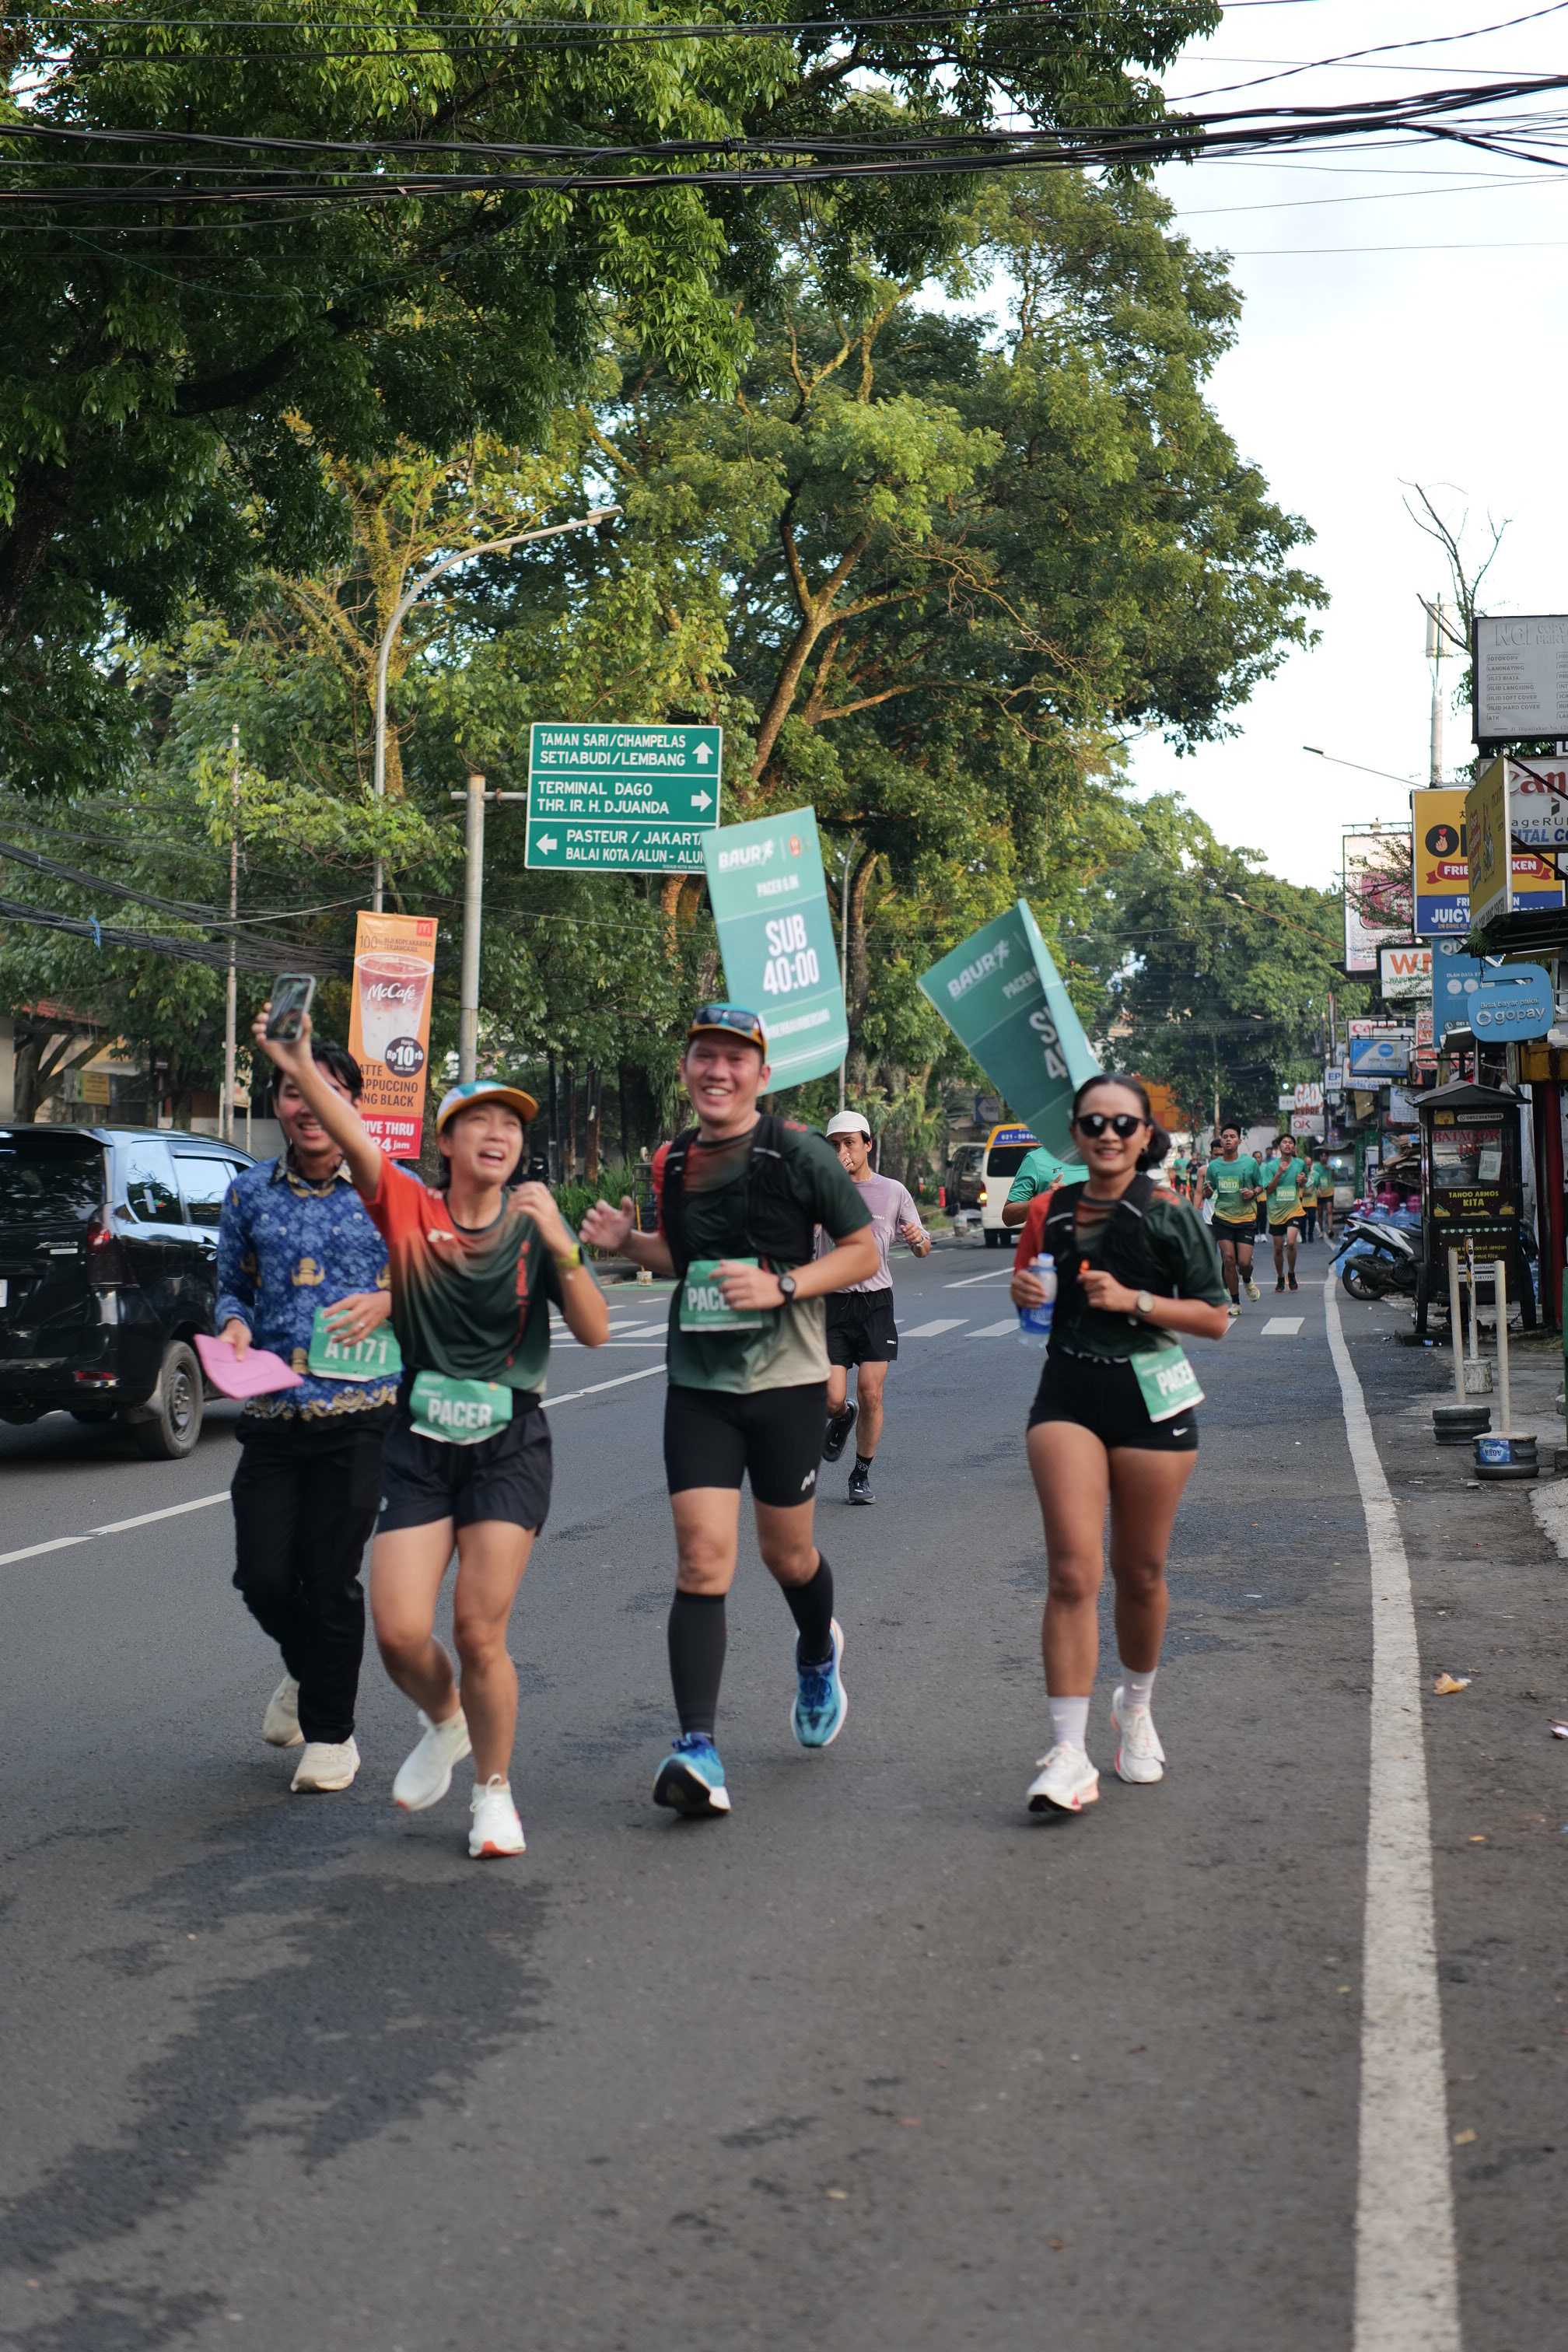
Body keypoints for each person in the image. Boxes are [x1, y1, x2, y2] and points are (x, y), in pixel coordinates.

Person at [250, 1006, 610, 1859]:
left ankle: (494, 1792)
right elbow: (350, 1133)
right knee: (401, 1634)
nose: (497, 1135)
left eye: (511, 1125)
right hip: (417, 1445)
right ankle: (446, 1719)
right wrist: (297, 1063)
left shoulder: (533, 1224)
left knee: (480, 1630)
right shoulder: (408, 1206)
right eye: (478, 1121)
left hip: (508, 1446)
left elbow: (596, 1331)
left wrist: (564, 1244)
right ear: (445, 1142)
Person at [581, 1005, 878, 1819]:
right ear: (687, 1069)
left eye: (735, 1059)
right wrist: (627, 1243)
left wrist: (784, 1285)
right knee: (701, 1560)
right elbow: (683, 1258)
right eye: (704, 1057)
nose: (718, 1071)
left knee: (789, 1556)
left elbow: (862, 1251)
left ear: (761, 1074)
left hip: (787, 1382)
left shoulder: (799, 1152)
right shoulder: (675, 1160)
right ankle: (697, 1748)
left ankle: (816, 1652)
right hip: (701, 1382)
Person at [1010, 1076, 1229, 1815]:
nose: (1108, 1135)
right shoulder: (1047, 1209)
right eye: (1094, 1123)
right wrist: (1025, 1294)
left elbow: (1215, 1316)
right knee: (1073, 1571)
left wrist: (1135, 1300)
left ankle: (1134, 1707)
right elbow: (1031, 1292)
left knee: (1140, 1572)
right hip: (1068, 1395)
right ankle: (1068, 1753)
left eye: (1123, 1124)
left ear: (1145, 1136)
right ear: (1075, 1133)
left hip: (1152, 1399)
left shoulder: (1169, 1212)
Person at [217, 1038, 399, 1795]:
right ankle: (307, 1667)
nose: (308, 1105)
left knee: (329, 1578)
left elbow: (437, 1274)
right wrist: (233, 1324)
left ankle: (332, 1736)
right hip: (271, 1412)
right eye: (294, 1089)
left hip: (360, 1414)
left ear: (351, 1103)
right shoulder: (248, 1194)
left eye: (325, 1090)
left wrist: (390, 1299)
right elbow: (232, 1287)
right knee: (262, 1576)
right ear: (278, 1105)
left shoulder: (386, 1188)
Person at [817, 1109, 933, 1503]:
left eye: (849, 1143)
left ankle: (861, 1473)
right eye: (835, 1145)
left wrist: (918, 1240)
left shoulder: (893, 1191)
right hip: (832, 1303)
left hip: (876, 1304)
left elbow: (922, 1247)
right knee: (832, 1398)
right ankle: (842, 1416)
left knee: (871, 1392)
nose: (842, 1152)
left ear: (868, 1144)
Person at [1200, 1122, 1263, 1318]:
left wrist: (1252, 1193)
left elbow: (1260, 1186)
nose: (1228, 1139)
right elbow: (1208, 1191)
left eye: (1232, 1136)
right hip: (1222, 1217)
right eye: (1225, 1136)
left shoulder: (1250, 1164)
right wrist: (1207, 1191)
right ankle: (1235, 1302)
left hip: (1246, 1218)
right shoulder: (1214, 1167)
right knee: (1228, 1259)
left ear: (1239, 1141)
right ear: (1221, 1140)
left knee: (1244, 1263)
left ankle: (1247, 1279)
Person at [1260, 1132, 1310, 1292]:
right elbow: (1269, 1190)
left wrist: (1303, 1181)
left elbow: (1304, 1181)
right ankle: (1280, 1277)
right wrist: (1279, 1173)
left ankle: (1292, 1273)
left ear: (1294, 1147)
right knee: (1278, 1248)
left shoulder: (1300, 1163)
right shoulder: (1270, 1167)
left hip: (1294, 1209)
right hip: (1276, 1212)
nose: (1288, 1144)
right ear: (1279, 1147)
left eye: (1290, 1142)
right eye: (1284, 1142)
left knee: (1291, 1242)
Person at [1001, 1139, 1082, 1230]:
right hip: (1055, 1237)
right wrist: (1045, 1199)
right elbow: (1008, 1218)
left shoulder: (1094, 1156)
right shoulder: (1035, 1159)